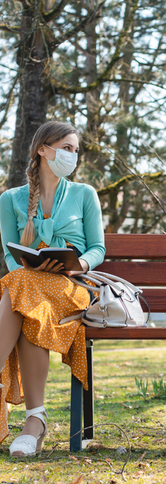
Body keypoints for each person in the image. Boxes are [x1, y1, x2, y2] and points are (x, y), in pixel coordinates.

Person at [0, 121, 105, 457]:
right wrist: (30, 268)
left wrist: (79, 265)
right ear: (43, 150)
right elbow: (9, 254)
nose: (71, 155)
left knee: (20, 292)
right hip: (28, 286)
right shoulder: (10, 200)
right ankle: (35, 421)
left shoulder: (84, 194)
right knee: (26, 294)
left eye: (74, 150)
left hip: (71, 285)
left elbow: (97, 249)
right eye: (65, 148)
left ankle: (35, 420)